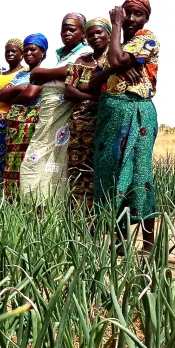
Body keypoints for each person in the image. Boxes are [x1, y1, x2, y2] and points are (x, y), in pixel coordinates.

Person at [90, 0, 160, 255]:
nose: (131, 18)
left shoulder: (147, 39)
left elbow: (118, 61)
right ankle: (119, 243)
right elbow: (92, 84)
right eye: (126, 13)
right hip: (110, 115)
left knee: (140, 175)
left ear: (146, 19)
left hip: (136, 112)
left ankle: (148, 246)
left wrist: (116, 24)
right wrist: (114, 67)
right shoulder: (115, 46)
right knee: (111, 175)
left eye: (137, 14)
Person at [19, 13, 90, 204]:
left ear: (83, 32)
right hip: (47, 112)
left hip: (67, 112)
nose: (66, 33)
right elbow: (35, 77)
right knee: (33, 160)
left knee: (58, 161)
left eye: (72, 29)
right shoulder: (58, 54)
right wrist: (48, 73)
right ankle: (35, 207)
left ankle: (54, 209)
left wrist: (44, 72)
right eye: (64, 29)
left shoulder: (85, 52)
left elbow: (74, 71)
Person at [65, 18, 112, 208]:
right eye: (90, 33)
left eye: (99, 32)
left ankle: (103, 218)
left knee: (101, 169)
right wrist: (94, 95)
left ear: (109, 35)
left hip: (105, 122)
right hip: (79, 125)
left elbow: (109, 89)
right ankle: (79, 218)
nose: (95, 36)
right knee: (78, 169)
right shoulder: (80, 60)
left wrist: (83, 91)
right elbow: (69, 92)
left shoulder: (113, 60)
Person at [0, 34, 48, 202]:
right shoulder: (21, 75)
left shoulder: (43, 72)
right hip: (15, 126)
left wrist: (14, 95)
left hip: (31, 122)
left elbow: (31, 94)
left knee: (29, 163)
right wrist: (19, 88)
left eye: (32, 49)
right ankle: (12, 204)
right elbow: (1, 94)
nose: (28, 53)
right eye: (26, 50)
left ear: (42, 52)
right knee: (12, 163)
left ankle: (30, 203)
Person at [0, 39, 25, 187]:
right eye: (7, 51)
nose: (10, 54)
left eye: (14, 51)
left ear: (21, 54)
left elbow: (14, 96)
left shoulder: (24, 73)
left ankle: (12, 194)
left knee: (13, 158)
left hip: (14, 119)